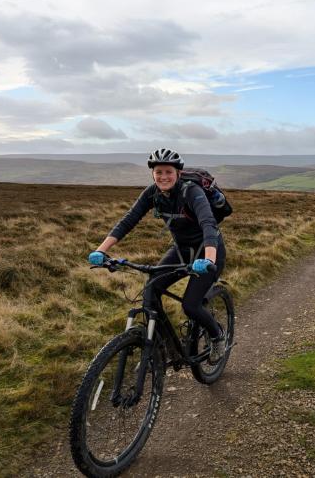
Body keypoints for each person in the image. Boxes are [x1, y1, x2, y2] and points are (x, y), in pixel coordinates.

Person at [88, 148, 226, 363]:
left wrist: (208, 259)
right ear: (152, 173)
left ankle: (218, 336)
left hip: (208, 250)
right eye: (158, 172)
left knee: (190, 305)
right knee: (151, 290)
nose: (163, 177)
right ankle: (158, 346)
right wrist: (101, 250)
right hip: (181, 249)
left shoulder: (191, 192)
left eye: (168, 172)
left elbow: (208, 223)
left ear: (178, 173)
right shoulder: (152, 193)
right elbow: (128, 220)